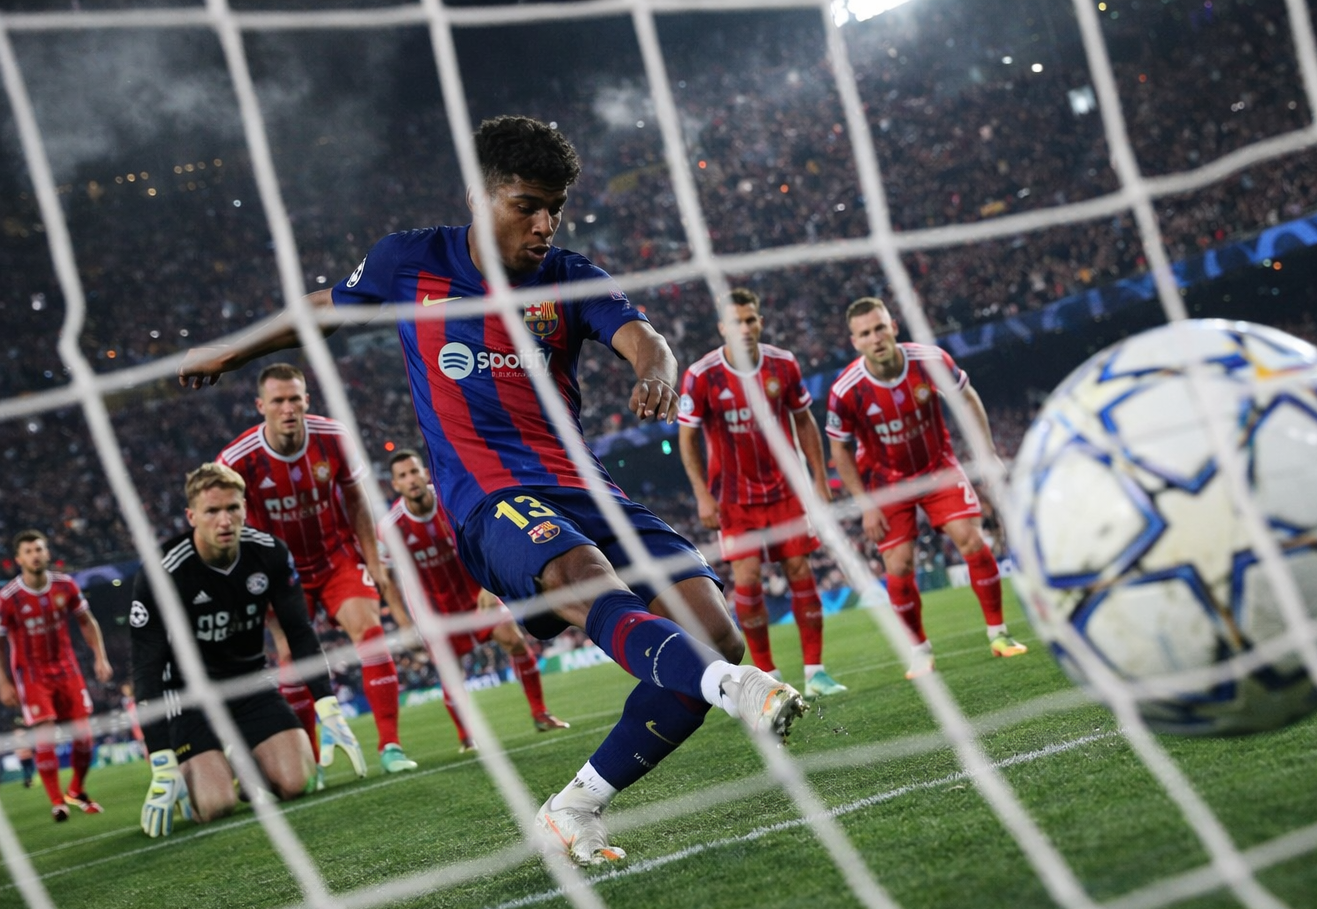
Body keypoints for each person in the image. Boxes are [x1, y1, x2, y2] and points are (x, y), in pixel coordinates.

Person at [177, 115, 803, 866]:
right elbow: (323, 310)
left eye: (556, 210)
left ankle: (577, 807)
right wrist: (231, 351)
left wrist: (655, 371)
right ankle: (733, 689)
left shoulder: (569, 276)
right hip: (488, 497)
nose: (544, 225)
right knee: (590, 582)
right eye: (527, 206)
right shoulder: (411, 262)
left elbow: (643, 338)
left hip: (586, 490)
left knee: (716, 638)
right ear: (482, 195)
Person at [132, 463, 364, 836]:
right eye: (212, 511)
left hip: (250, 684)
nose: (224, 520)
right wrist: (161, 759)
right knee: (216, 806)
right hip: (189, 696)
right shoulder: (163, 571)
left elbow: (299, 631)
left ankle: (244, 762)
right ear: (192, 516)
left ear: (245, 508)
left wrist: (327, 705)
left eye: (232, 508)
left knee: (298, 782)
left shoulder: (269, 554)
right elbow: (145, 666)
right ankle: (199, 774)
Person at [217, 364, 418, 775]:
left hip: (335, 556)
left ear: (307, 400)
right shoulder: (236, 460)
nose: (288, 408)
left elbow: (357, 501)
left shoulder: (333, 437)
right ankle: (308, 761)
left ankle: (390, 747)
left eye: (295, 398)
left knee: (372, 634)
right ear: (261, 406)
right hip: (279, 572)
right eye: (278, 401)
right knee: (292, 659)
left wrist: (373, 561)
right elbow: (225, 524)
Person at [826, 297, 1029, 679]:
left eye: (880, 328)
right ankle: (919, 652)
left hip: (937, 467)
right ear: (855, 342)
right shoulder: (845, 390)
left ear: (893, 327)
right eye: (865, 333)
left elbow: (967, 398)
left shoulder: (928, 360)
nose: (876, 338)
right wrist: (865, 504)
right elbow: (839, 448)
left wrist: (986, 454)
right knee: (898, 565)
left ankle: (999, 634)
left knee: (972, 539)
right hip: (886, 483)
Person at [679, 288, 846, 698]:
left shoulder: (783, 364)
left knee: (800, 572)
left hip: (785, 490)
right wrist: (702, 494)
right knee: (748, 581)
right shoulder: (702, 375)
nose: (745, 328)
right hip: (735, 499)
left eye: (750, 320)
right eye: (736, 321)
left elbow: (804, 421)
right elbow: (688, 438)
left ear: (760, 322)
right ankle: (767, 678)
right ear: (723, 328)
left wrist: (820, 481)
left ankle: (816, 672)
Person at [382, 449, 570, 747]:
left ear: (426, 473)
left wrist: (487, 586)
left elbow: (484, 542)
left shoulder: (449, 501)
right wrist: (404, 623)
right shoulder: (390, 526)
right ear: (395, 485)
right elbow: (388, 580)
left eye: (415, 471)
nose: (412, 480)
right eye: (403, 476)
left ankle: (540, 713)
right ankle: (467, 738)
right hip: (436, 612)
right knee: (451, 673)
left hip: (475, 594)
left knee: (514, 641)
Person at [0, 530, 113, 822]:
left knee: (85, 738)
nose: (35, 555)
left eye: (39, 549)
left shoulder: (65, 585)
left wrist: (100, 657)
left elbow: (87, 622)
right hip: (32, 675)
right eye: (28, 551)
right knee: (46, 736)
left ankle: (76, 789)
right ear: (18, 559)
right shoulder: (8, 597)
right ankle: (56, 801)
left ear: (47, 552)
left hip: (67, 669)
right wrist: (3, 682)